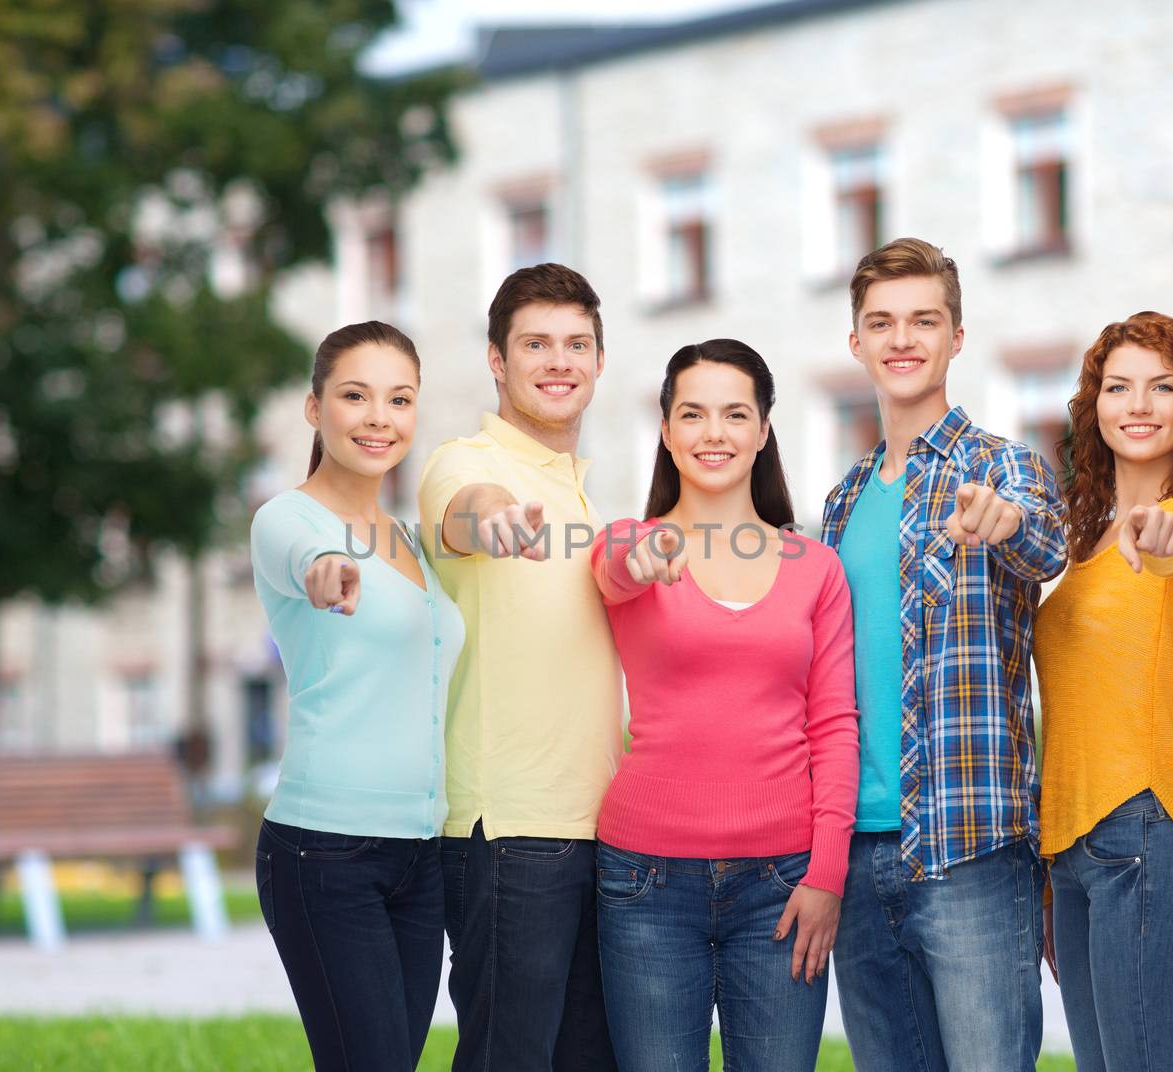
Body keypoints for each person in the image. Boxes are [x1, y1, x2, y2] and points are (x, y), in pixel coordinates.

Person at [821, 237, 1066, 1071]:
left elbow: (1043, 543)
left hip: (971, 846)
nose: (902, 339)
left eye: (924, 320)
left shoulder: (1003, 468)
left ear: (956, 338)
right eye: (881, 322)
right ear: (855, 341)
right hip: (854, 851)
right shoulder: (842, 500)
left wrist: (1003, 521)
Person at [590, 339, 859, 1071]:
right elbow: (614, 573)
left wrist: (827, 874)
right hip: (645, 880)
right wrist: (640, 561)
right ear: (667, 430)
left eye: (735, 414)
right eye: (693, 414)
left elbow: (835, 727)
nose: (715, 433)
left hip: (783, 883)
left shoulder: (816, 568)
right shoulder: (630, 543)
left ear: (764, 430)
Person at [417, 263, 622, 1070]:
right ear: (497, 362)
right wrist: (494, 520)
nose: (559, 361)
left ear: (601, 363)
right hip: (508, 831)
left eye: (577, 344)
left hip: (599, 831)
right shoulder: (463, 463)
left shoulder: (584, 496)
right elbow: (463, 512)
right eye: (535, 344)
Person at [249, 321, 464, 1071]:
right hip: (325, 851)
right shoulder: (287, 519)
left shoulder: (409, 540)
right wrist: (325, 568)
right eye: (355, 396)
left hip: (419, 854)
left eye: (399, 399)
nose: (380, 417)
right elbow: (309, 558)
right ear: (315, 409)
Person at [1035, 311, 1173, 1072]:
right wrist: (1052, 867)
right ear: (1095, 407)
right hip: (1071, 850)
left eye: (1164, 386)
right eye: (1118, 387)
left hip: (1145, 831)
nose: (1139, 404)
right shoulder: (1080, 540)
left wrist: (1158, 535)